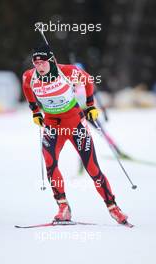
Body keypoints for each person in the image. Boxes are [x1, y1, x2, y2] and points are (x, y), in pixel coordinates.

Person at [22, 43, 129, 225]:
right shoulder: (29, 76)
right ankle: (63, 207)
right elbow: (26, 88)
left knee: (93, 169)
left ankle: (113, 207)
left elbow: (87, 80)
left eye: (42, 62)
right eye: (35, 62)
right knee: (50, 163)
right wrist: (34, 110)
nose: (39, 66)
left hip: (74, 123)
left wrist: (90, 105)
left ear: (52, 60)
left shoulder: (67, 71)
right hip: (51, 125)